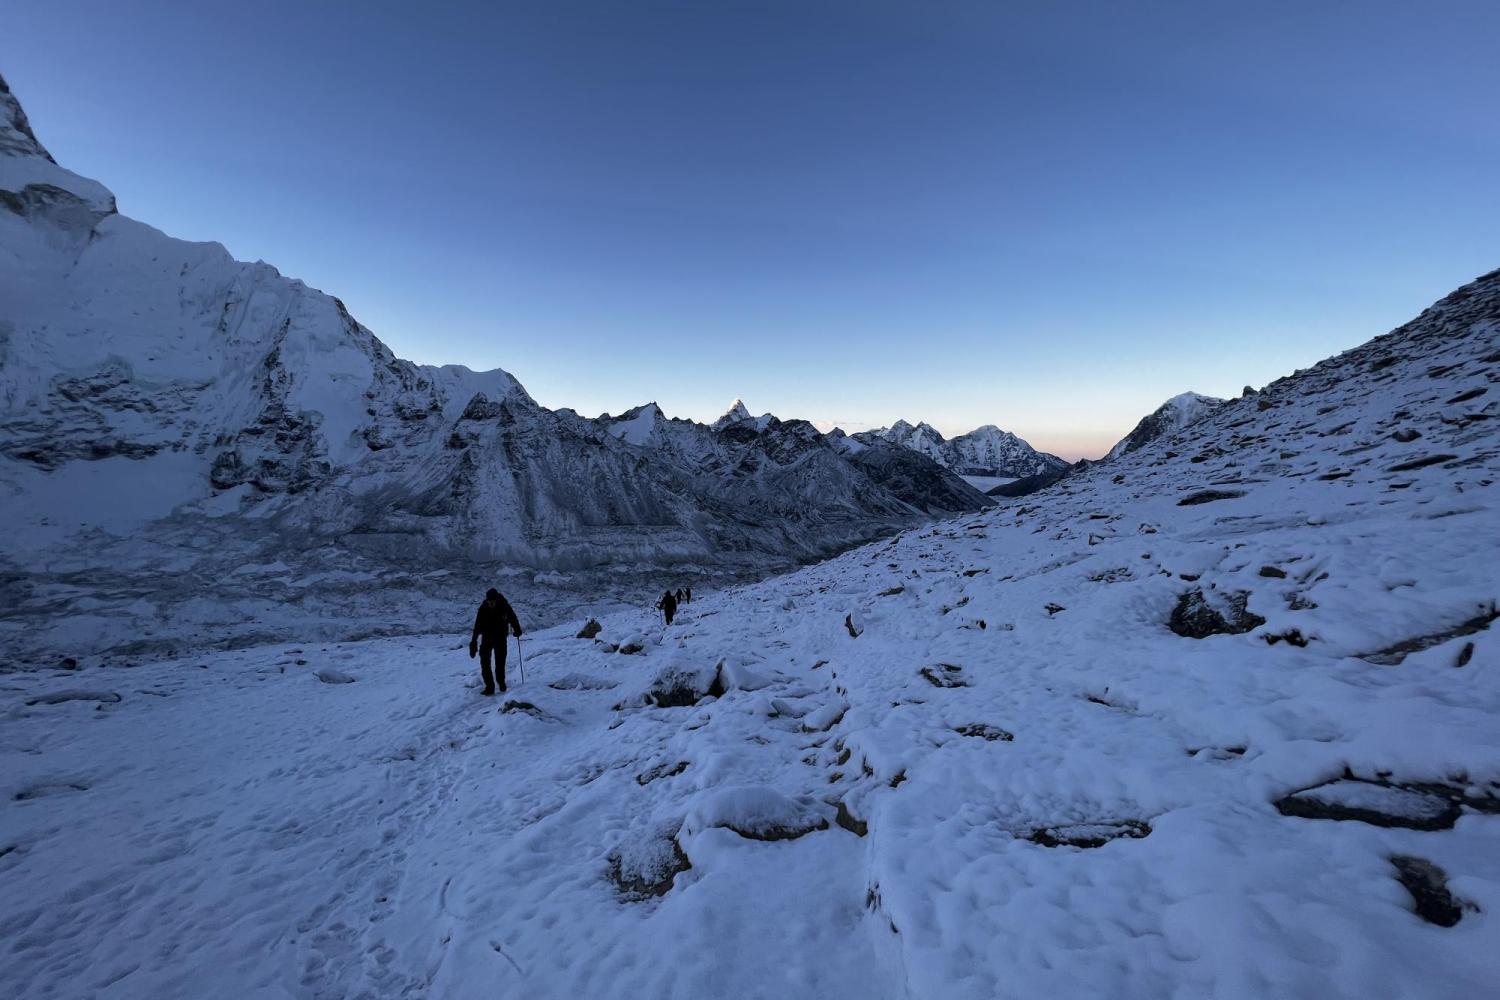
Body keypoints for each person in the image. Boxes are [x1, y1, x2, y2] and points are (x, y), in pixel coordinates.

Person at [469, 588, 523, 695]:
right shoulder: (483, 608)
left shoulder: (504, 605)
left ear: (496, 599)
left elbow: (512, 617)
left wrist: (517, 629)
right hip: (487, 637)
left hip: (500, 637)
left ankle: (501, 682)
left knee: (500, 661)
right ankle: (490, 687)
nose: (491, 603)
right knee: (484, 661)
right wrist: (473, 641)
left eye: (492, 601)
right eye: (489, 602)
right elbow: (477, 625)